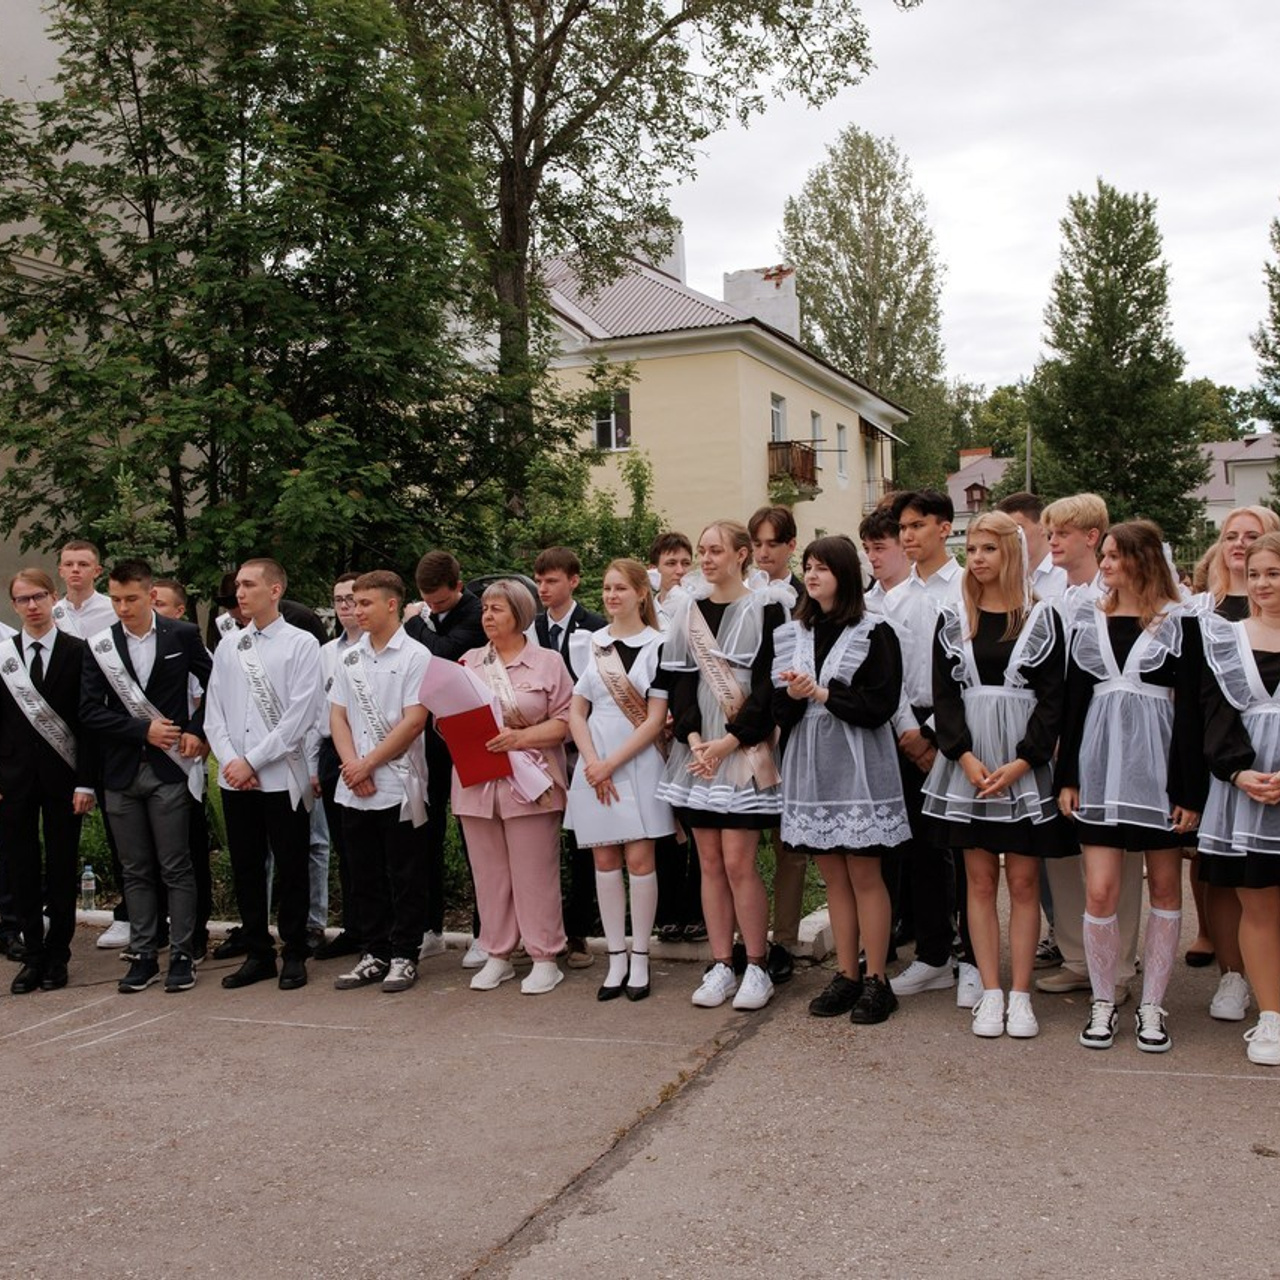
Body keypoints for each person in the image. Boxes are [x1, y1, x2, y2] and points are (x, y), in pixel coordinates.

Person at [1056, 520, 1208, 1052]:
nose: (1106, 565)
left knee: (1165, 888)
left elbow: (1190, 712)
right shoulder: (1086, 619)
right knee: (1100, 890)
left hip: (1159, 775)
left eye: (1116, 556)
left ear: (1143, 561)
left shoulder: (1180, 623)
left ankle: (1152, 1005)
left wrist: (1190, 793)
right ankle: (1104, 1000)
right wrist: (1067, 777)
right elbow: (1075, 704)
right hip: (1097, 773)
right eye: (1106, 556)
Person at [922, 513, 1068, 1038]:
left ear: (1011, 552)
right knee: (979, 882)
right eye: (973, 547)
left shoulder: (1042, 617)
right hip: (971, 766)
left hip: (1021, 767)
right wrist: (962, 756)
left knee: (1025, 881)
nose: (978, 558)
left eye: (989, 548)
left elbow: (1054, 701)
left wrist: (1025, 761)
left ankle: (1022, 995)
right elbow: (945, 697)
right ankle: (989, 990)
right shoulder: (952, 616)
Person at [772, 536, 910, 1025]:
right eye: (807, 567)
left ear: (845, 575)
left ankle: (877, 977)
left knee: (865, 873)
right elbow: (781, 708)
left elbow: (879, 706)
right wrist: (793, 694)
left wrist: (824, 693)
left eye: (822, 568)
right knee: (832, 874)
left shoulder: (876, 631)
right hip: (811, 764)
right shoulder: (795, 632)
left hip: (858, 764)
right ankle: (847, 973)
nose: (811, 575)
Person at [656, 520, 789, 1011]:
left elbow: (769, 687)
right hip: (699, 752)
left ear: (741, 556)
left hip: (742, 747)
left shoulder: (768, 608)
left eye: (715, 551)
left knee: (738, 861)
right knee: (708, 862)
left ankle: (756, 964)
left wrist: (729, 742)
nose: (705, 559)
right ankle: (721, 965)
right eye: (702, 551)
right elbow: (682, 683)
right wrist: (694, 739)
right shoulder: (689, 611)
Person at [80, 559, 211, 994]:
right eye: (115, 599)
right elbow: (89, 711)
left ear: (150, 594)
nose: (121, 607)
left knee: (176, 865)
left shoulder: (183, 636)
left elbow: (217, 688)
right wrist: (142, 729)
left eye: (130, 598)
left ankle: (181, 954)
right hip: (120, 772)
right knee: (135, 870)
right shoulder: (99, 645)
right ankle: (142, 954)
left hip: (168, 769)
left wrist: (197, 731)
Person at [1033, 494, 1143, 1009]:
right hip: (1049, 729)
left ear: (1092, 537)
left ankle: (1119, 966)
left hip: (1106, 731)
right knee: (1061, 848)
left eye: (1062, 533)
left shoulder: (1114, 588)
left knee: (1115, 850)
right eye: (1049, 532)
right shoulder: (1044, 586)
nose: (1051, 541)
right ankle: (1078, 958)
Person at [203, 558, 323, 991]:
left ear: (274, 590)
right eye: (238, 585)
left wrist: (251, 760)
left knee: (291, 866)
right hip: (237, 778)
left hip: (280, 776)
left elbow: (300, 715)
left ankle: (293, 951)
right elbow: (213, 711)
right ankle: (257, 951)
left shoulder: (301, 644)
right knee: (247, 867)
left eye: (249, 585)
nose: (240, 592)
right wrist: (232, 761)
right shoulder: (230, 645)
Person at [454, 579, 573, 995]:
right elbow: (447, 717)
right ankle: (498, 954)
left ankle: (544, 956)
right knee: (489, 875)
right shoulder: (468, 662)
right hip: (478, 782)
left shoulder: (548, 663)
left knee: (534, 872)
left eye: (497, 609)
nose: (487, 616)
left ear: (519, 615)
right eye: (485, 609)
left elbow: (566, 721)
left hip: (532, 780)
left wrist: (520, 738)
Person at [882, 490, 976, 1006]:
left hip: (956, 728)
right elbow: (892, 674)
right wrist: (907, 731)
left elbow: (971, 673)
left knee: (961, 849)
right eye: (903, 528)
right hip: (907, 727)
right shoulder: (896, 596)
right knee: (918, 847)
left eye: (918, 525)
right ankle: (934, 955)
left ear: (945, 528)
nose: (908, 535)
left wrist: (937, 735)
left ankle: (973, 958)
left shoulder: (965, 588)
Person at [1187, 506, 1280, 1023]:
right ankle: (1270, 1016)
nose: (1261, 582)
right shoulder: (1226, 638)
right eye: (1257, 573)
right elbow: (1215, 714)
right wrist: (1239, 770)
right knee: (1257, 903)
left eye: (1274, 573)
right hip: (1247, 788)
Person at [566, 559, 673, 1001]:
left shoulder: (660, 645)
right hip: (595, 765)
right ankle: (615, 959)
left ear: (640, 594)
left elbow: (654, 719)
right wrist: (593, 761)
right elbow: (576, 709)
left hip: (638, 760)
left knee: (640, 861)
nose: (611, 596)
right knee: (604, 861)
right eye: (607, 589)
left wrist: (610, 764)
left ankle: (641, 957)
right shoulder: (593, 643)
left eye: (620, 589)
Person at [329, 572, 432, 994]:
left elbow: (414, 720)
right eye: (354, 602)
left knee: (405, 873)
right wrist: (353, 765)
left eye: (366, 603)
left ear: (392, 605)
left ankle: (405, 953)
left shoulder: (416, 655)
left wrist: (369, 763)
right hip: (355, 785)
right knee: (362, 873)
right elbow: (337, 715)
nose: (356, 610)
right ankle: (374, 952)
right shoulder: (348, 657)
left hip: (397, 783)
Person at [1, 570, 97, 993]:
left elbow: (89, 723)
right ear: (14, 605)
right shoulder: (4, 656)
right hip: (14, 780)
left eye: (38, 596)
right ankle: (33, 954)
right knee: (21, 868)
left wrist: (86, 782)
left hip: (64, 779)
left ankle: (58, 955)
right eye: (22, 600)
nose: (32, 606)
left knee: (61, 868)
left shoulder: (79, 652)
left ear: (53, 598)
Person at [403, 550, 486, 966]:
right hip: (429, 740)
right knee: (425, 836)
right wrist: (422, 619)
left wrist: (417, 619)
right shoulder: (424, 616)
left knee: (476, 839)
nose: (432, 607)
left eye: (439, 601)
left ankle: (484, 932)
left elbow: (444, 653)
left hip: (468, 734)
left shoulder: (476, 612)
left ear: (458, 584)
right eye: (426, 601)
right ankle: (430, 927)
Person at [532, 547, 606, 969]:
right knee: (540, 842)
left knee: (583, 842)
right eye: (539, 581)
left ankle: (577, 931)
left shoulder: (595, 628)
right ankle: (541, 927)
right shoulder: (529, 628)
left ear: (574, 581)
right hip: (541, 748)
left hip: (581, 745)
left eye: (552, 580)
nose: (544, 588)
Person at [56, 539, 131, 950]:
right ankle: (57, 907)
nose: (75, 571)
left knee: (120, 830)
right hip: (59, 732)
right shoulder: (52, 612)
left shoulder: (111, 610)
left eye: (83, 564)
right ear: (60, 569)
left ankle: (127, 914)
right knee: (61, 827)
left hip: (105, 730)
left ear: (97, 571)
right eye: (68, 564)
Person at [749, 504, 805, 984]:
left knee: (788, 841)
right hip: (742, 726)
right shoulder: (738, 590)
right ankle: (745, 935)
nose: (764, 553)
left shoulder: (806, 594)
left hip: (789, 727)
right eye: (758, 544)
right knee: (741, 839)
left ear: (791, 545)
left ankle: (784, 937)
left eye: (774, 543)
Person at [150, 577, 216, 961]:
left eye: (160, 605)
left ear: (178, 612)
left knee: (188, 853)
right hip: (144, 760)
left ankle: (195, 934)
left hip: (183, 763)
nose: (152, 611)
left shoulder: (189, 649)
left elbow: (213, 697)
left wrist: (198, 731)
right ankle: (156, 929)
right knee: (150, 856)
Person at [647, 532, 704, 944]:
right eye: (671, 563)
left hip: (688, 722)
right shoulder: (642, 606)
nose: (680, 571)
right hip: (647, 725)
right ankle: (669, 911)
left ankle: (699, 911)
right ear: (655, 568)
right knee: (664, 824)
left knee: (697, 819)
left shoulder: (699, 606)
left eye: (686, 562)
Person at [312, 574, 364, 961]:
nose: (346, 606)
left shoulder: (386, 648)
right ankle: (354, 927)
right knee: (346, 848)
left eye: (353, 598)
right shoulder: (327, 651)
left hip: (376, 753)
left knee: (376, 850)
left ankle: (384, 928)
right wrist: (316, 764)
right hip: (335, 755)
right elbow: (319, 710)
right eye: (339, 599)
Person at [996, 492, 1067, 601]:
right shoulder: (1006, 578)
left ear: (1043, 527)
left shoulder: (1065, 575)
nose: (1011, 537)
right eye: (1004, 532)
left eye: (1018, 529)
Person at [860, 505, 910, 613]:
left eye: (879, 548)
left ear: (903, 545)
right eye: (867, 549)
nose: (870, 558)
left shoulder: (927, 597)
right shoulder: (865, 605)